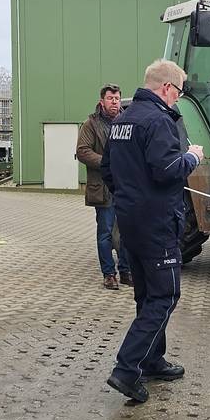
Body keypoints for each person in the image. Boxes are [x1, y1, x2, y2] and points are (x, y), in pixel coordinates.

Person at [101, 60, 204, 403]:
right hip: (158, 222)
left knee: (146, 296)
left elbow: (108, 170)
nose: (178, 99)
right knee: (165, 296)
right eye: (178, 92)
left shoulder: (122, 120)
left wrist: (130, 198)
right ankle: (127, 369)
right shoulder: (159, 120)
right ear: (165, 88)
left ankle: (152, 359)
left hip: (130, 220)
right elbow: (167, 170)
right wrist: (192, 157)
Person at [76, 83, 132, 290]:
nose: (114, 102)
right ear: (102, 101)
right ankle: (109, 274)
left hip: (124, 187)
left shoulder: (127, 121)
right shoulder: (91, 124)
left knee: (127, 231)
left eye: (117, 98)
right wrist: (108, 163)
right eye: (110, 98)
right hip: (103, 187)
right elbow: (82, 151)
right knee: (106, 233)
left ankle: (126, 272)